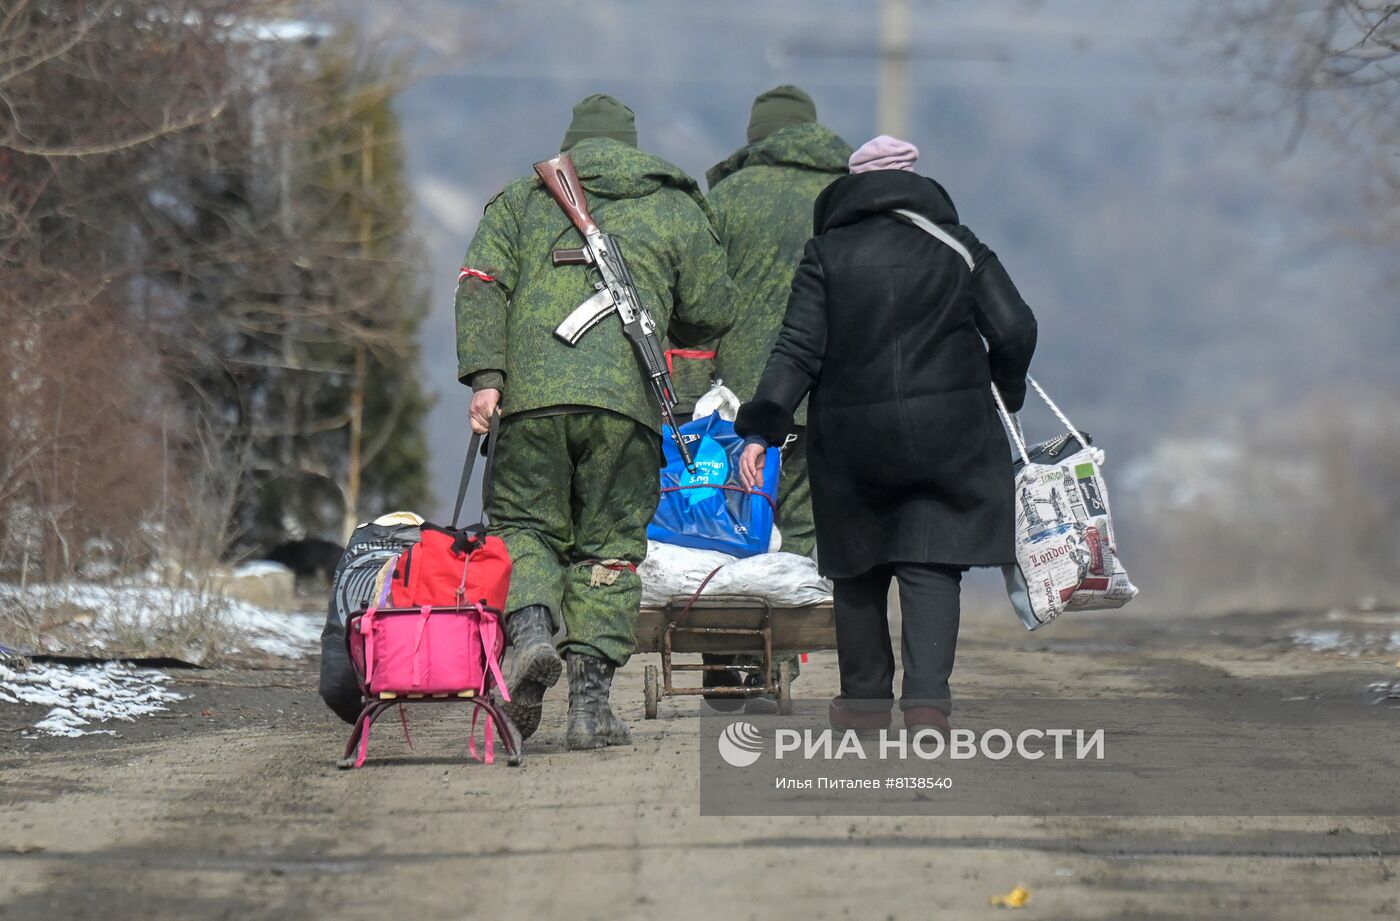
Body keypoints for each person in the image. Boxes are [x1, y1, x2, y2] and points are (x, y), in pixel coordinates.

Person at [455, 95, 736, 749]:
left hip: (530, 402)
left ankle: (528, 636)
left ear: (573, 146)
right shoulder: (672, 204)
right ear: (633, 147)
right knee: (608, 548)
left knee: (524, 528)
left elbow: (478, 281)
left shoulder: (520, 202)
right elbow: (712, 306)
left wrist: (487, 376)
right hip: (626, 407)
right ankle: (588, 708)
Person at [735, 135, 1038, 733]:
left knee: (858, 564)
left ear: (851, 187)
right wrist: (1003, 390)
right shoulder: (957, 245)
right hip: (949, 433)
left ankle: (865, 706)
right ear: (915, 180)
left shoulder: (826, 252)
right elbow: (1015, 327)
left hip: (853, 437)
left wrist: (762, 429)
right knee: (932, 563)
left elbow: (798, 349)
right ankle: (927, 703)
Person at [695, 85, 853, 712]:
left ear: (757, 136)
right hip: (823, 388)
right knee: (800, 522)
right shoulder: (844, 197)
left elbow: (699, 298)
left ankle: (724, 660)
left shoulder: (726, 199)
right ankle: (774, 661)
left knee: (727, 523)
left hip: (738, 400)